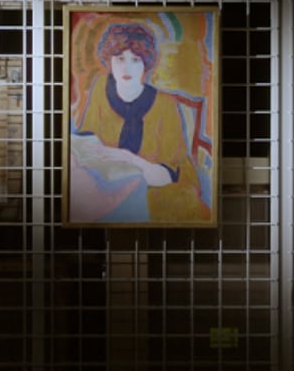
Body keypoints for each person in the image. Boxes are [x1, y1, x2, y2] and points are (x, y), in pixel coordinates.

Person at [70, 22, 210, 223]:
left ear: (146, 64)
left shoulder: (165, 105)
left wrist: (130, 159)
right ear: (109, 61)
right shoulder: (101, 87)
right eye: (120, 59)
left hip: (161, 183)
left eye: (135, 60)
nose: (126, 68)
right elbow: (86, 137)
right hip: (111, 178)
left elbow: (166, 175)